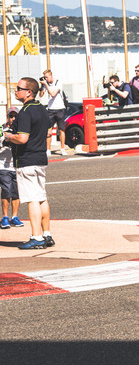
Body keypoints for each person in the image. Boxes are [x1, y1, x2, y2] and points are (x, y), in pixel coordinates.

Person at [4, 78, 54, 249]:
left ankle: (36, 237)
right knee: (41, 197)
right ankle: (46, 234)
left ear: (28, 92)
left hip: (27, 161)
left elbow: (23, 138)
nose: (16, 91)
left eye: (19, 88)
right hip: (40, 159)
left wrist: (9, 137)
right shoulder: (41, 109)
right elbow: (48, 133)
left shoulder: (25, 112)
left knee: (32, 199)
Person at [0, 107, 23, 229]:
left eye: (15, 116)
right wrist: (4, 143)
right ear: (7, 117)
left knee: (16, 192)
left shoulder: (21, 129)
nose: (13, 119)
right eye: (11, 116)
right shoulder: (1, 129)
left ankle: (14, 216)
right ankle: (5, 217)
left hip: (17, 165)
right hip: (4, 165)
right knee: (6, 190)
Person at [38, 69, 68, 156]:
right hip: (50, 109)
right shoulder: (46, 84)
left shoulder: (58, 82)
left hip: (60, 108)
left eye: (47, 77)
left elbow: (53, 94)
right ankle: (48, 149)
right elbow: (41, 95)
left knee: (61, 129)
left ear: (51, 75)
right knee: (48, 130)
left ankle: (62, 149)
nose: (46, 79)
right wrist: (41, 86)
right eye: (45, 77)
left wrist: (46, 85)